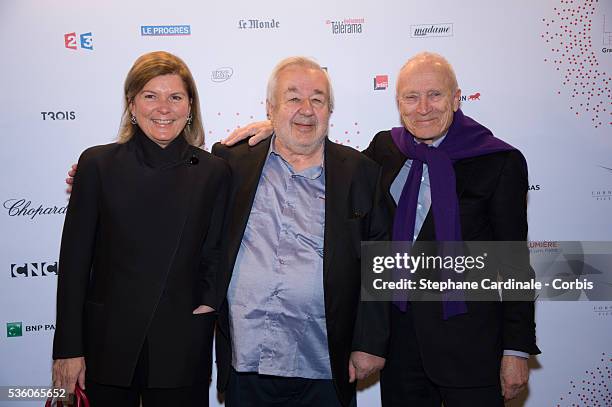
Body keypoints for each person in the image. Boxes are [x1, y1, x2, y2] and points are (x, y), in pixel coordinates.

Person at [221, 51, 540, 406]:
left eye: (434, 95)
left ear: (455, 98)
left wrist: (516, 349)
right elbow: (323, 155)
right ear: (398, 103)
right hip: (400, 348)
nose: (423, 108)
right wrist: (277, 129)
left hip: (469, 346)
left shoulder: (498, 161)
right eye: (411, 97)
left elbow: (513, 264)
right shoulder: (386, 150)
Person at [53, 51, 229, 407]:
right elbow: (74, 264)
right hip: (106, 343)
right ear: (132, 105)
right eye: (151, 96)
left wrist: (208, 302)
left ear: (190, 106)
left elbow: (216, 251)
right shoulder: (97, 165)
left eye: (175, 97)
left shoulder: (215, 171)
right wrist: (68, 349)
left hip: (181, 341)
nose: (163, 107)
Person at [211, 56, 390, 407]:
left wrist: (370, 342)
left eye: (318, 99)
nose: (306, 110)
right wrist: (107, 177)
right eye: (293, 98)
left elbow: (380, 261)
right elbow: (178, 185)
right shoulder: (233, 161)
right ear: (271, 108)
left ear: (330, 110)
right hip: (247, 359)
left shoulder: (361, 173)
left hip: (323, 362)